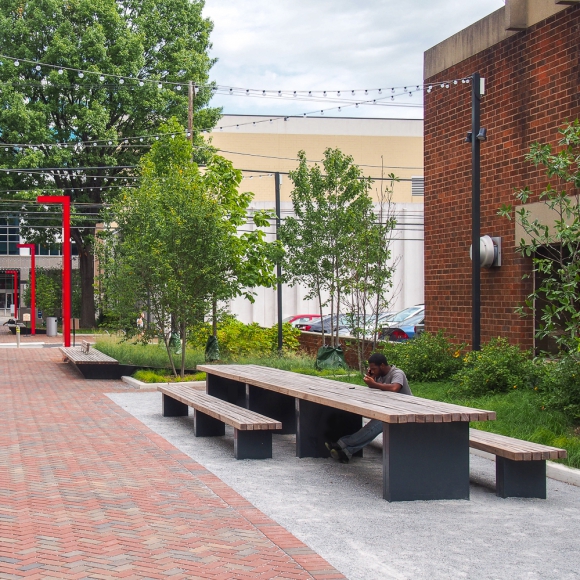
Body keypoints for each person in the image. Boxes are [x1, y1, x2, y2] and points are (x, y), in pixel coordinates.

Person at [326, 352, 412, 463]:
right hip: (390, 410)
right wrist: (371, 380)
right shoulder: (379, 376)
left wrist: (374, 384)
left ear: (382, 365)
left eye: (374, 368)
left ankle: (342, 443)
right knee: (372, 426)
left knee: (374, 426)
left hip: (404, 412)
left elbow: (395, 388)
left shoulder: (397, 373)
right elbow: (377, 390)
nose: (373, 371)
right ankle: (346, 452)